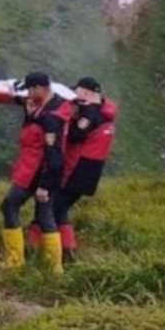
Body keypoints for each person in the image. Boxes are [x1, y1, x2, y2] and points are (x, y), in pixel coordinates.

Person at [0, 72, 71, 273]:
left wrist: (45, 185)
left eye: (32, 89)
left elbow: (53, 154)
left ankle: (14, 260)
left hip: (37, 173)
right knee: (45, 215)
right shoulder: (51, 107)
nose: (29, 94)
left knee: (9, 205)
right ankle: (53, 268)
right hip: (36, 170)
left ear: (42, 88)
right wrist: (30, 114)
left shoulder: (51, 119)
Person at [55, 77, 117, 260]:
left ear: (86, 92)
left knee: (56, 209)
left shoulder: (90, 113)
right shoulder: (106, 112)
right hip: (93, 168)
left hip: (79, 167)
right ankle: (66, 250)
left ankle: (66, 251)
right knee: (60, 208)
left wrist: (68, 119)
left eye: (77, 91)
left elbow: (75, 135)